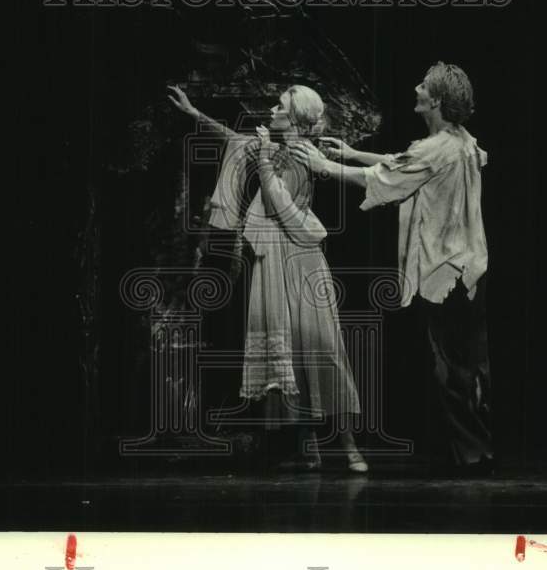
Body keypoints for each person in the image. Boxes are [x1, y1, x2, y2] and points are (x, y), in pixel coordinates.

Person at [291, 62, 492, 473]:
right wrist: (350, 152)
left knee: (452, 369)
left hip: (447, 271)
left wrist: (324, 166)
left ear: (435, 100)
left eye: (423, 86)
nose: (416, 88)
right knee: (467, 365)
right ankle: (477, 452)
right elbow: (403, 162)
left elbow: (385, 179)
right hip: (470, 267)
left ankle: (471, 458)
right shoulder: (458, 141)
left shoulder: (437, 148)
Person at [168, 84, 368, 472]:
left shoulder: (302, 154)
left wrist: (260, 158)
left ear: (293, 117)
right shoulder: (271, 147)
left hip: (301, 257)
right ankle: (308, 444)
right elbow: (231, 137)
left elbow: (282, 205)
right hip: (270, 256)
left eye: (280, 106)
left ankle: (348, 445)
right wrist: (194, 114)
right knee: (289, 352)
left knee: (323, 346)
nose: (272, 109)